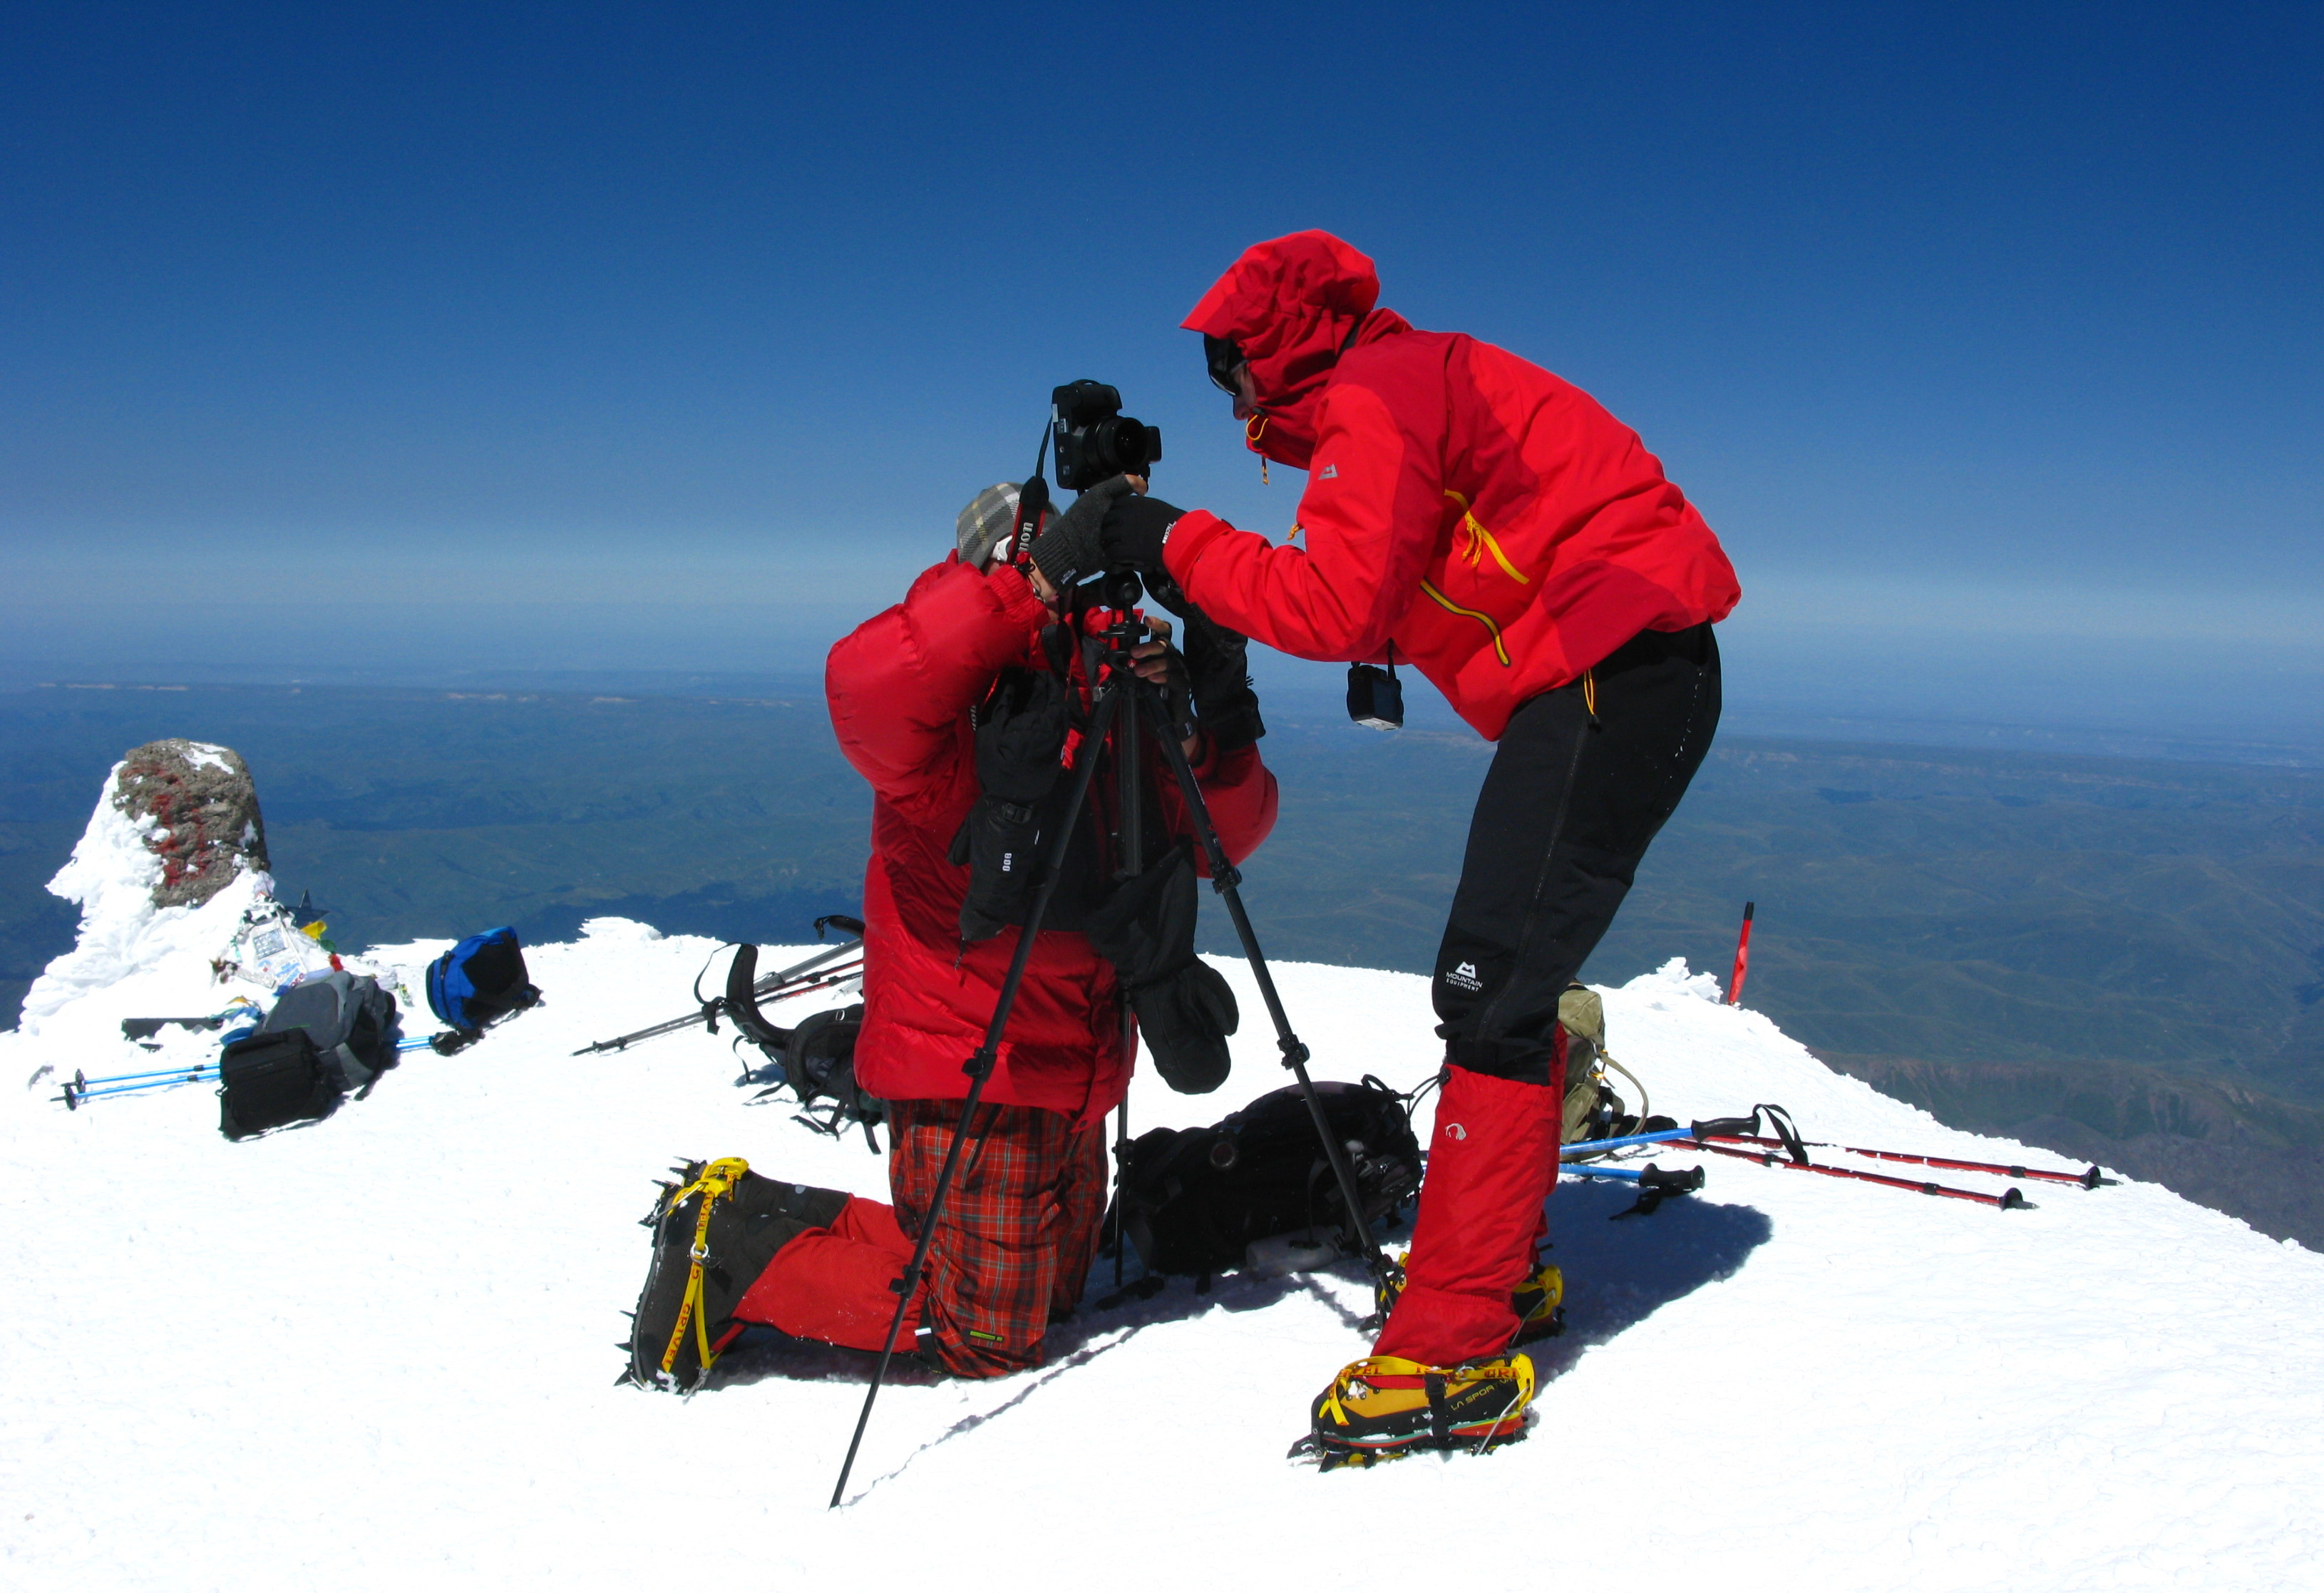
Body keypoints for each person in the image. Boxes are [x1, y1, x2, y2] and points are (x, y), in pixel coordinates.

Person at [1035, 230, 1740, 1459]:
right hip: (1618, 665)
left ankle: (1457, 1346)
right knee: (1495, 988)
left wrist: (1161, 539)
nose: (1230, 396)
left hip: (1609, 668)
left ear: (1276, 348)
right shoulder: (1399, 383)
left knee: (1492, 989)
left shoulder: (1377, 395)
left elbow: (1334, 602)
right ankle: (1496, 1271)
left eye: (1229, 366)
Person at [639, 482, 1279, 1383]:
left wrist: (1215, 710)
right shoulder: (954, 730)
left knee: (1046, 1296)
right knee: (986, 1333)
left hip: (1077, 1059)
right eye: (1042, 573)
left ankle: (754, 1213)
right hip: (971, 1055)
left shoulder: (1100, 700)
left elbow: (1223, 840)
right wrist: (1036, 581)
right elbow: (864, 681)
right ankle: (729, 1248)